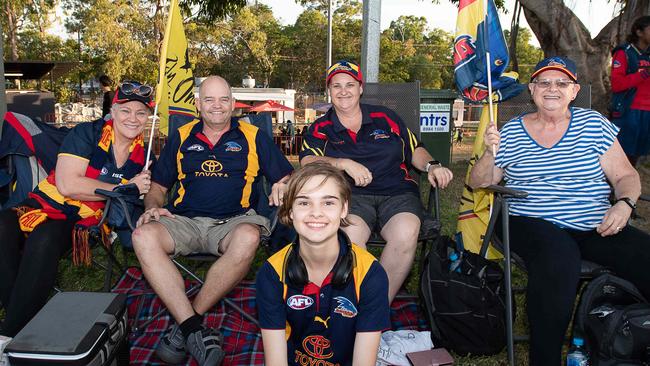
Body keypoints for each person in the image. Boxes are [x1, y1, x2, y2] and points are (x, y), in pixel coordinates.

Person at [469, 56, 650, 366]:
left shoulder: (593, 125)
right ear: (532, 89)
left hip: (593, 223)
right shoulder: (510, 131)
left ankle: (631, 340)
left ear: (574, 90)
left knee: (644, 254)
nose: (552, 88)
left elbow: (626, 176)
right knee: (559, 255)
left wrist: (623, 204)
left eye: (561, 83)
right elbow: (479, 182)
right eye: (544, 82)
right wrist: (489, 152)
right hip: (527, 221)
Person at [131, 76, 293, 366]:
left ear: (232, 103)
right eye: (209, 99)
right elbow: (158, 187)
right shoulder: (181, 136)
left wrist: (284, 184)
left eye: (223, 99)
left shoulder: (253, 136)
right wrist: (153, 206)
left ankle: (185, 325)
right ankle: (194, 328)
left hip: (234, 221)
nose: (216, 106)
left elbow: (285, 176)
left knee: (249, 236)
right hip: (184, 221)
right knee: (142, 236)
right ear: (198, 104)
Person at [0, 81, 154, 337]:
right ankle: (21, 319)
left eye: (141, 112)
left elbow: (145, 196)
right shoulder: (86, 134)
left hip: (88, 216)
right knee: (3, 224)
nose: (133, 118)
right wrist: (123, 187)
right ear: (113, 111)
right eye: (126, 110)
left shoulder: (145, 158)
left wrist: (148, 202)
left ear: (148, 117)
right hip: (48, 202)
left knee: (44, 237)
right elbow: (68, 184)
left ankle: (9, 334)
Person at [299, 60, 453, 302]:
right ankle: (350, 303)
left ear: (360, 88)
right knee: (350, 238)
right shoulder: (322, 127)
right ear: (329, 91)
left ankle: (377, 308)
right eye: (336, 86)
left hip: (398, 193)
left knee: (405, 233)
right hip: (351, 197)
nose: (343, 91)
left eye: (350, 84)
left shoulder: (385, 117)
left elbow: (415, 150)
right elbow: (307, 161)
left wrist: (432, 165)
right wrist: (343, 163)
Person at [256, 162, 390, 366]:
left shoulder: (370, 273)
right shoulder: (272, 272)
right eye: (303, 203)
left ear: (344, 209)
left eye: (328, 203)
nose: (316, 213)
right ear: (290, 211)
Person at [610, 16, 650, 167]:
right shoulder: (624, 53)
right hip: (629, 111)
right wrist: (644, 73)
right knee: (621, 154)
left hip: (647, 114)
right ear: (639, 32)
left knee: (635, 156)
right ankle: (610, 188)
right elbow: (617, 84)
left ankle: (626, 187)